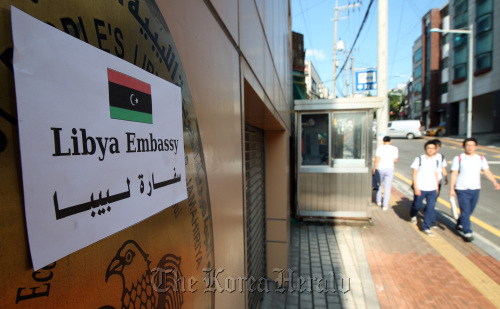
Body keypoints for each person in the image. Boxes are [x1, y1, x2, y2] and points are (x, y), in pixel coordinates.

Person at [450, 137, 500, 242]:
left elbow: (487, 171)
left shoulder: (481, 159)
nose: (470, 147)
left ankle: (460, 223)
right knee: (465, 210)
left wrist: (495, 182)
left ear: (476, 147)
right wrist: (452, 189)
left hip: (475, 189)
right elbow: (454, 174)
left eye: (472, 145)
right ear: (464, 146)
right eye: (468, 145)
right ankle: (467, 231)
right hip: (461, 188)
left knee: (468, 211)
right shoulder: (458, 158)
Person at [410, 140, 440, 237]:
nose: (430, 150)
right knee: (417, 206)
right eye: (428, 148)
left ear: (435, 150)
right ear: (425, 149)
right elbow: (414, 173)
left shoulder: (436, 161)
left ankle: (426, 227)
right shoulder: (419, 159)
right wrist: (416, 187)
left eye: (432, 148)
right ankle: (413, 214)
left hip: (432, 188)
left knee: (430, 208)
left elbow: (436, 174)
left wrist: (437, 187)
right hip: (421, 187)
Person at [373, 136, 399, 211]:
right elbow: (395, 161)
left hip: (380, 168)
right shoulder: (395, 148)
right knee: (387, 188)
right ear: (390, 141)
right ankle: (385, 205)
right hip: (390, 169)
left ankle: (378, 201)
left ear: (383, 141)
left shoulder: (380, 148)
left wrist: (374, 169)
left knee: (379, 185)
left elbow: (377, 159)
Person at [430, 139, 448, 228]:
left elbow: (443, 168)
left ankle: (430, 215)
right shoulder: (425, 156)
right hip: (427, 181)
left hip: (438, 182)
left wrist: (446, 177)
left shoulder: (441, 157)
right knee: (431, 201)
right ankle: (432, 220)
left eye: (436, 147)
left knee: (433, 200)